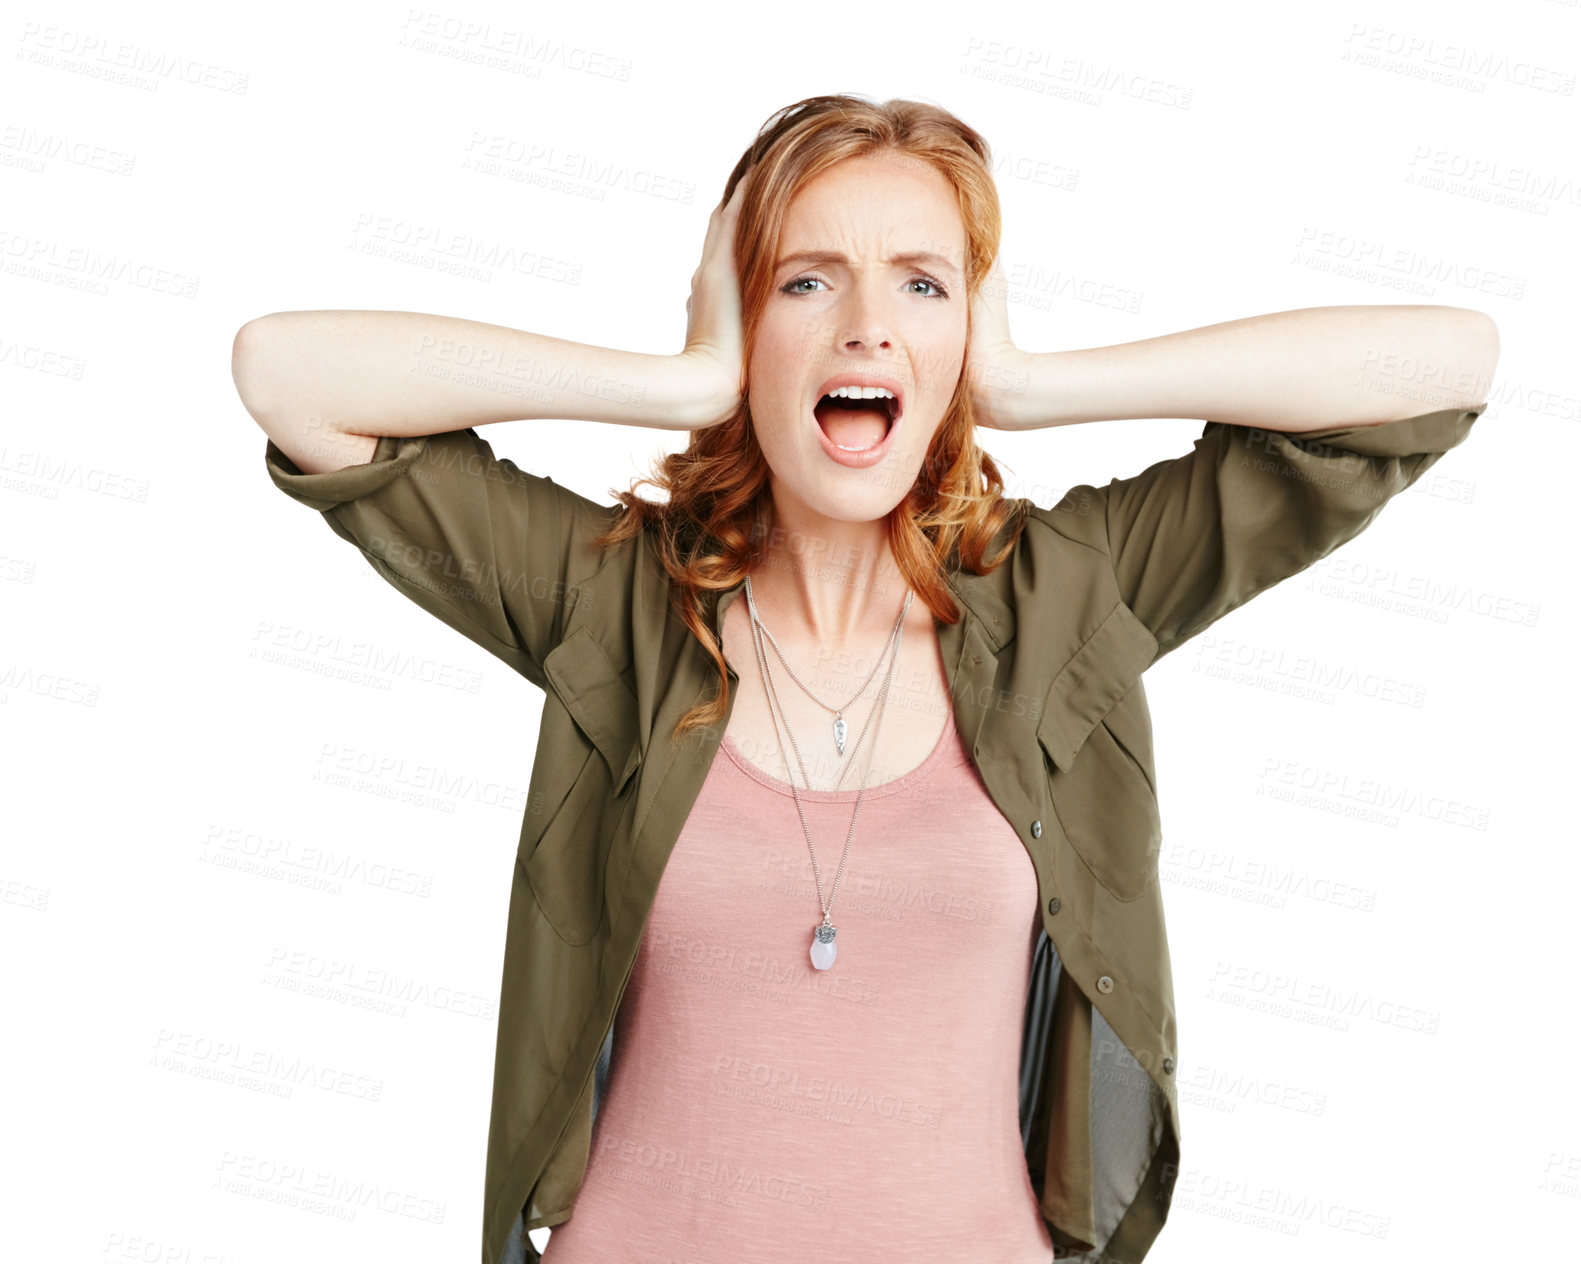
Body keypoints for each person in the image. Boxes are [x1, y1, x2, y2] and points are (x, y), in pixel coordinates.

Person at [233, 94, 1497, 1264]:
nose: (867, 325)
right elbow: (288, 375)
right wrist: (675, 381)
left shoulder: (1065, 597)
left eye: (922, 284)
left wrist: (1034, 388)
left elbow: (1447, 364)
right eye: (805, 279)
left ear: (964, 336)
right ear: (745, 325)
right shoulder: (610, 600)